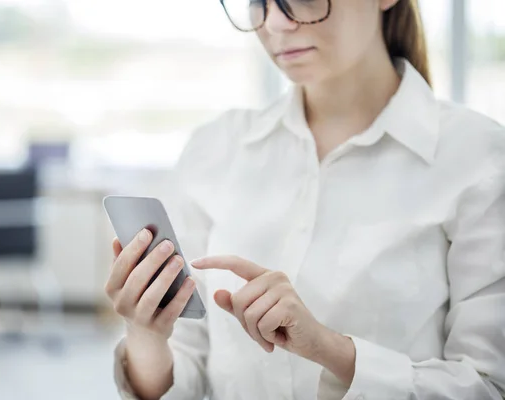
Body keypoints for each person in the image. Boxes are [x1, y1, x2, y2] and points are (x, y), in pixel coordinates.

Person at [105, 0, 505, 398]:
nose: (275, 23)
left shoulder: (478, 158)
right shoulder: (215, 150)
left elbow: (489, 386)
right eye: (257, 2)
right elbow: (187, 372)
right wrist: (146, 335)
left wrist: (329, 349)